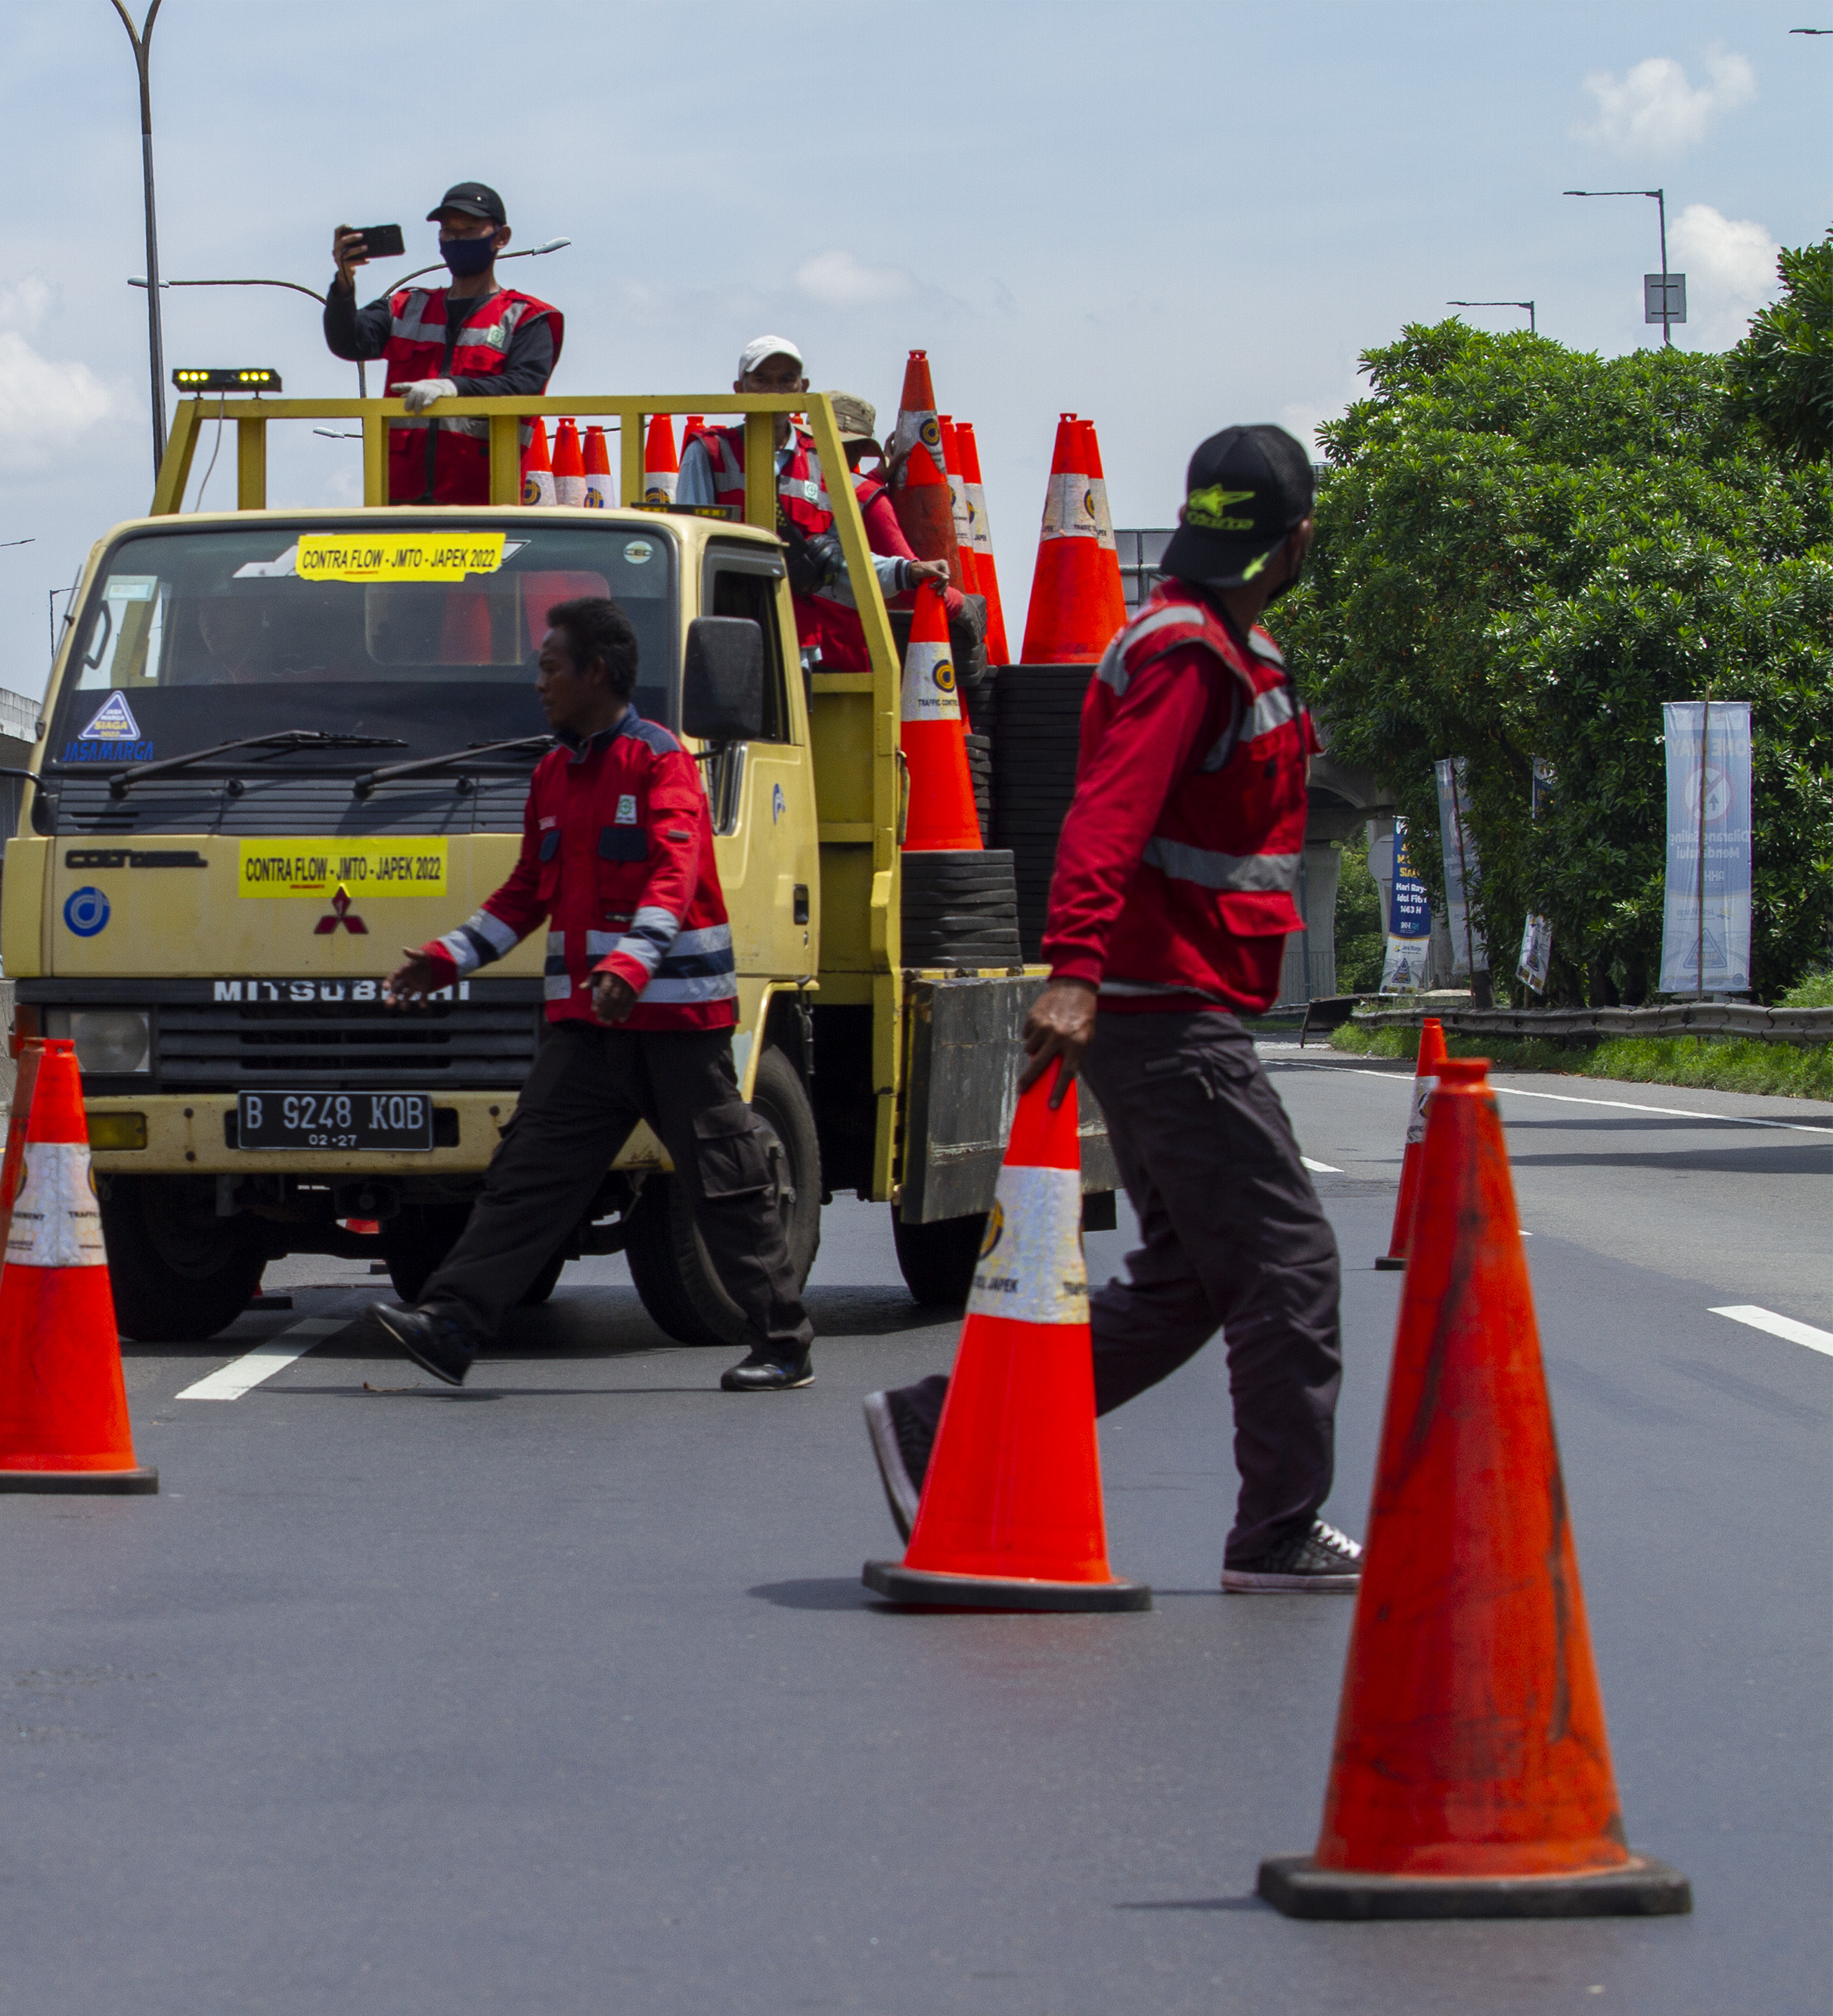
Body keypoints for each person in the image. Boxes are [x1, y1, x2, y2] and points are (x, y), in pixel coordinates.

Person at [862, 425, 1358, 1593]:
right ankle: (1278, 1531)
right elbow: (1106, 813)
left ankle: (941, 1425)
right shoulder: (1193, 654)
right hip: (1161, 1003)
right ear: (1299, 537)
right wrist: (1075, 966)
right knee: (1290, 1266)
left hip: (1163, 998)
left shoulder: (1227, 645)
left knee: (1191, 1280)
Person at [371, 598, 816, 1392]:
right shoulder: (552, 773)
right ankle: (451, 1324)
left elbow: (674, 873)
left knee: (725, 1181)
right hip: (587, 1027)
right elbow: (523, 894)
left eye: (549, 667)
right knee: (526, 1178)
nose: (537, 683)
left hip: (674, 1024)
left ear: (595, 673)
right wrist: (447, 960)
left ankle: (782, 1342)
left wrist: (631, 966)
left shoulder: (659, 761)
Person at [673, 337, 954, 670]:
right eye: (761, 380)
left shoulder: (824, 459)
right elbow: (688, 553)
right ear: (739, 388)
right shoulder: (709, 453)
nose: (774, 392)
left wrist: (907, 571)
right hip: (725, 640)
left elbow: (840, 564)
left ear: (803, 388)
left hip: (799, 649)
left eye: (786, 380)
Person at [325, 182, 563, 505]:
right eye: (448, 231)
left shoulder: (527, 317)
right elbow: (348, 342)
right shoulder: (405, 308)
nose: (456, 240)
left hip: (486, 502)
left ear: (501, 238)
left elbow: (525, 383)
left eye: (469, 230)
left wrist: (454, 387)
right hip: (398, 500)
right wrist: (343, 283)